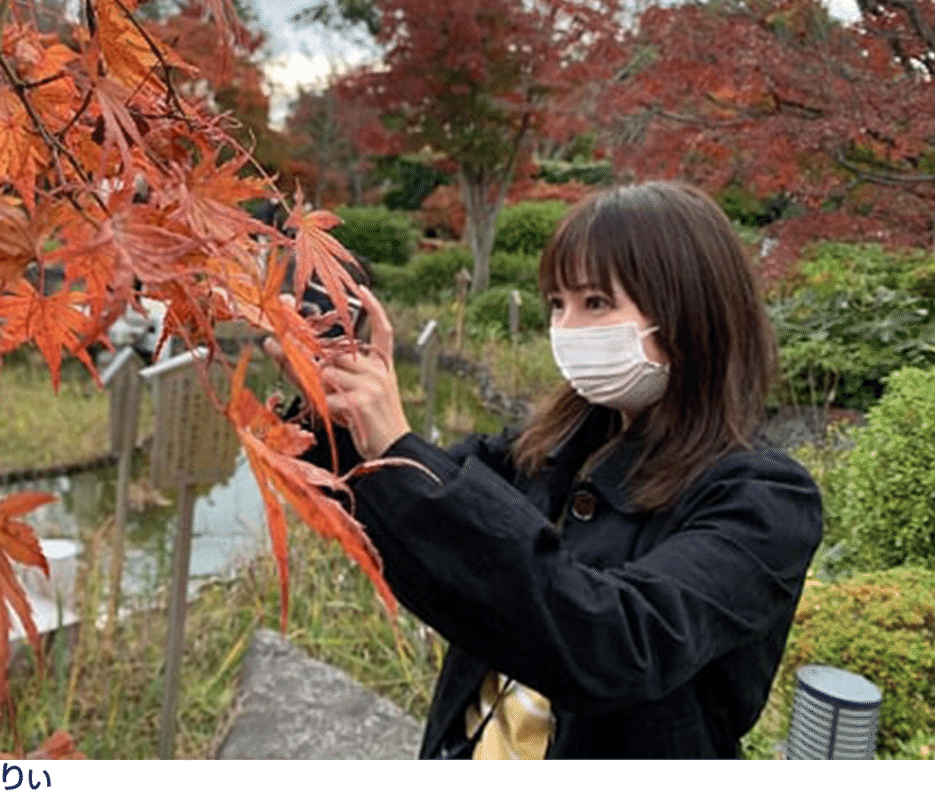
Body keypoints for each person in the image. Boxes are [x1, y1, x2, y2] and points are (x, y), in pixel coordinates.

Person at [262, 181, 823, 759]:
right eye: (558, 303)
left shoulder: (763, 503)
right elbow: (403, 516)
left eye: (596, 303)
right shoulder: (545, 448)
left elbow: (617, 643)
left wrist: (394, 439)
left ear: (688, 312)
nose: (568, 327)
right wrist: (330, 407)